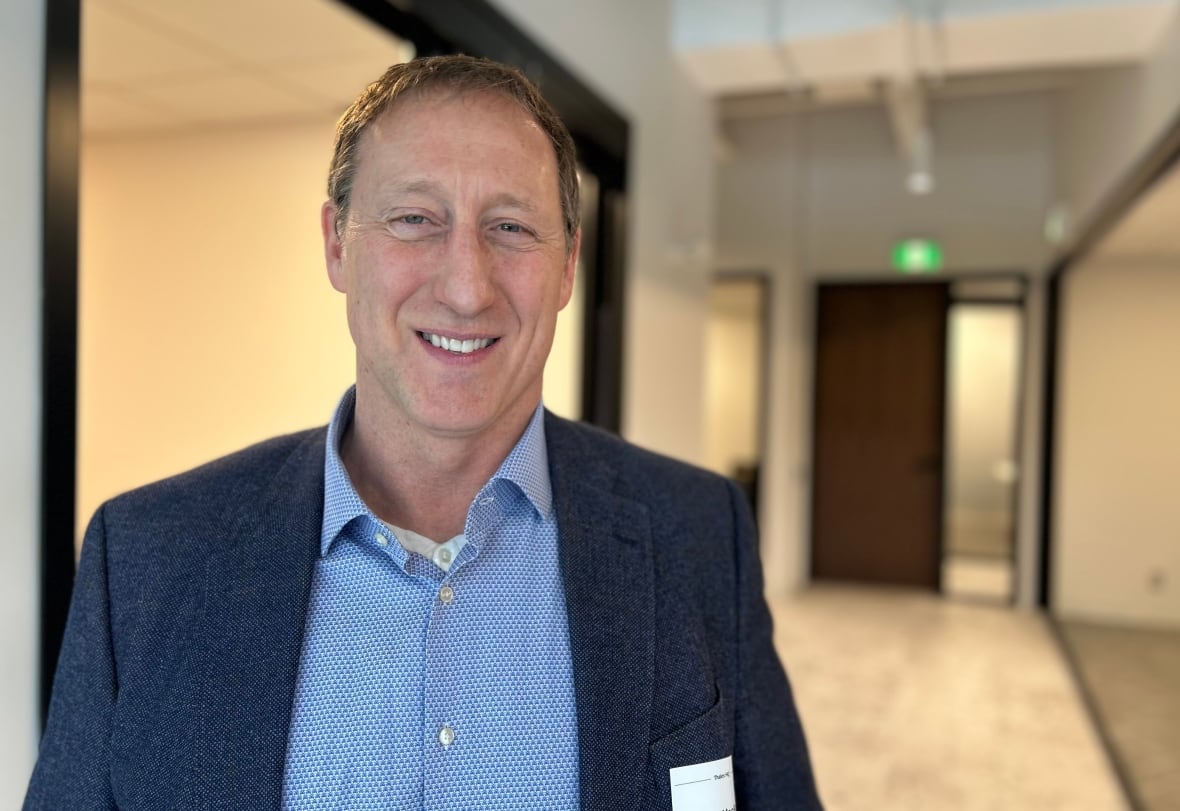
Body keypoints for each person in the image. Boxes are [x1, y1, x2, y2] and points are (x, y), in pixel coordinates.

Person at [25, 55, 821, 810]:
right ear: (338, 244)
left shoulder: (696, 533)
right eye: (414, 218)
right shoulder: (145, 558)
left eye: (510, 227)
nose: (467, 286)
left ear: (569, 265)